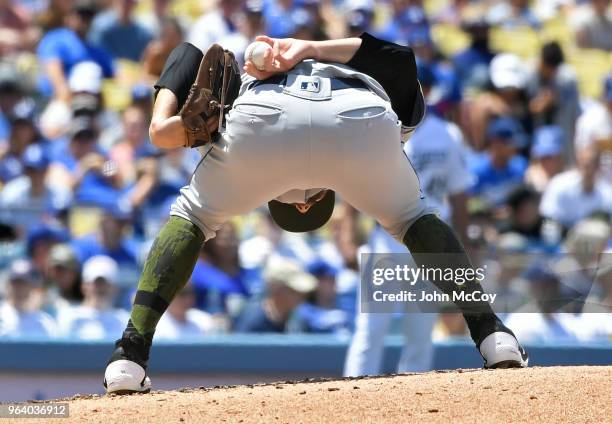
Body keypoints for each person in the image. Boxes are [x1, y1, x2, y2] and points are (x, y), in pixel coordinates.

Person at [103, 33, 528, 394]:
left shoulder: (261, 75)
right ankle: (491, 334)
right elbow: (403, 57)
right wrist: (309, 47)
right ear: (311, 200)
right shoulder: (313, 69)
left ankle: (131, 355)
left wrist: (298, 53)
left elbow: (185, 53)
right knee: (414, 220)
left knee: (192, 219)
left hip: (264, 115)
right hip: (355, 112)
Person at [344, 63, 473, 376]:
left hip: (427, 244)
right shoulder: (378, 127)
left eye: (421, 86)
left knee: (419, 334)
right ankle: (351, 400)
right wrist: (348, 233)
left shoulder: (446, 135)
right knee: (372, 331)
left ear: (428, 90)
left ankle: (413, 404)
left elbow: (459, 195)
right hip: (387, 242)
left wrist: (462, 246)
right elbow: (350, 180)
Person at [36, 0, 114, 100]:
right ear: (68, 17)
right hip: (56, 101)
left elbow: (117, 74)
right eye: (80, 16)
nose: (84, 21)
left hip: (91, 103)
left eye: (88, 17)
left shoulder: (96, 49)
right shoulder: (55, 39)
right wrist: (66, 98)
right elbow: (55, 75)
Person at [234, 256, 317, 332]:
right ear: (276, 289)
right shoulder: (253, 319)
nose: (302, 295)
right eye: (293, 290)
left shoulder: (296, 317)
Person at [56, 255, 129, 340]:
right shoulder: (68, 316)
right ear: (84, 286)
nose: (101, 288)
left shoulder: (124, 319)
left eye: (105, 283)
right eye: (96, 283)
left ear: (115, 288)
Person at [0, 259, 58, 338]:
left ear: (32, 287)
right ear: (8, 285)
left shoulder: (45, 324)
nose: (18, 288)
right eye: (15, 283)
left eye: (23, 284)